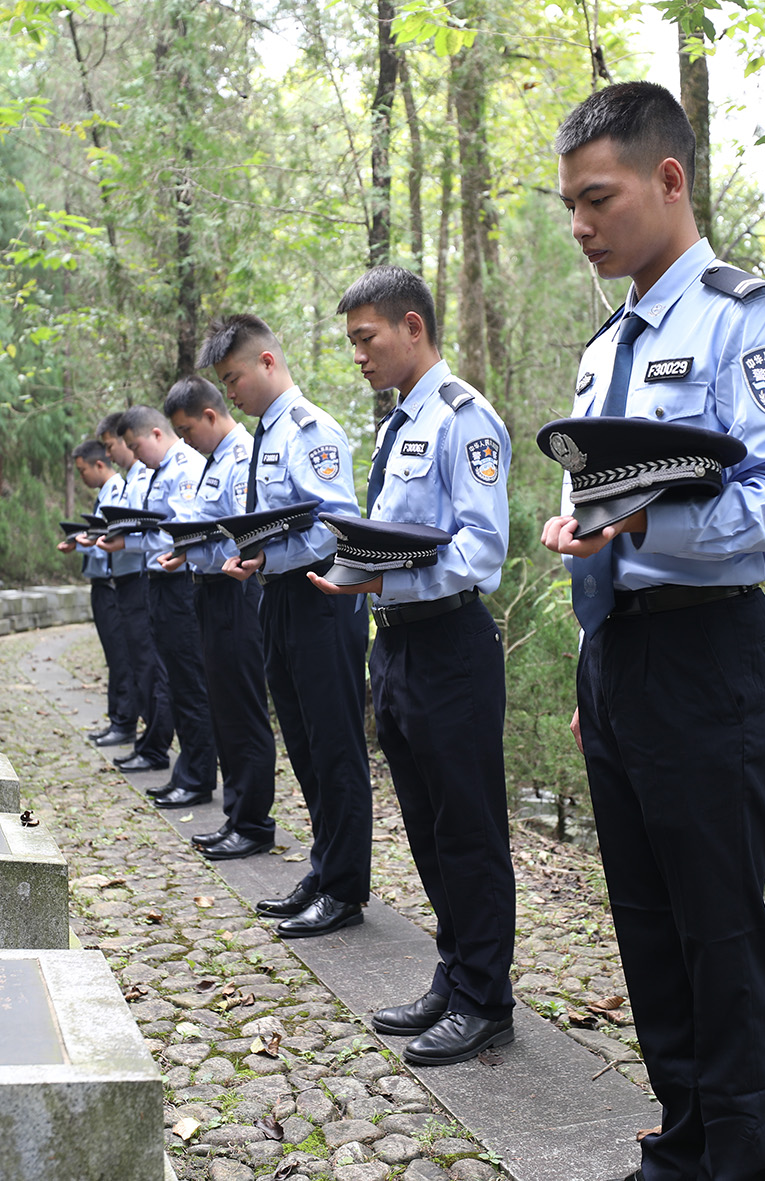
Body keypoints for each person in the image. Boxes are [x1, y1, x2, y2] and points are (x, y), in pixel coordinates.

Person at [542, 81, 765, 1180]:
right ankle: (681, 1148)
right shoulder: (603, 347)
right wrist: (595, 657)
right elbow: (601, 512)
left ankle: (740, 1162)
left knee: (716, 930)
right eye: (570, 205)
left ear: (669, 179)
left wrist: (640, 521)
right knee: (647, 925)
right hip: (623, 659)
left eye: (598, 198)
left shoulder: (750, 322)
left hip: (711, 656)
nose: (581, 225)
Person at [310, 265, 517, 1067]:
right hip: (396, 645)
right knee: (429, 831)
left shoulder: (466, 419)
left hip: (450, 645)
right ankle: (454, 973)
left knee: (467, 830)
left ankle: (486, 999)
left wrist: (376, 579)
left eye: (366, 338)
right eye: (352, 341)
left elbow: (480, 552)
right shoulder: (399, 423)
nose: (358, 354)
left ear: (413, 326)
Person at [199, 314, 373, 938]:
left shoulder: (309, 429)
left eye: (234, 378)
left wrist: (267, 554)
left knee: (334, 745)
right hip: (279, 597)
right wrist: (258, 557)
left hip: (321, 596)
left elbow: (334, 526)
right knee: (302, 741)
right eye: (224, 383)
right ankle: (325, 870)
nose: (231, 392)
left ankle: (345, 888)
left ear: (268, 362)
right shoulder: (267, 434)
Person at [161, 376, 279, 860]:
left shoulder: (242, 458)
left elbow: (241, 534)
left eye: (188, 430)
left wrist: (197, 543)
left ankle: (253, 822)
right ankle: (236, 815)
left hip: (237, 591)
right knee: (223, 706)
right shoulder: (214, 460)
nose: (186, 441)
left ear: (210, 416)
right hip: (208, 590)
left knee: (243, 707)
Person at [103, 404, 217, 808]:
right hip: (160, 582)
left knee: (188, 682)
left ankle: (197, 776)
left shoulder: (184, 466)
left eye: (136, 447)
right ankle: (187, 773)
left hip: (180, 583)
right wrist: (128, 541)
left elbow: (178, 533)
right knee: (175, 680)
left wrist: (132, 541)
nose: (135, 456)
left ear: (155, 433)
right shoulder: (160, 469)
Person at [97, 412, 174, 779]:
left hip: (152, 577)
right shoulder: (136, 477)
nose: (113, 453)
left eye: (116, 445)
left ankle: (156, 745)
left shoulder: (160, 470)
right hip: (142, 575)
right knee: (141, 664)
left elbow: (161, 529)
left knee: (150, 666)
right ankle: (149, 741)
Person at [60, 440, 138, 747]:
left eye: (83, 471)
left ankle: (125, 722)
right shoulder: (105, 493)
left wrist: (86, 542)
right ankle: (117, 719)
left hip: (113, 583)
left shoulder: (119, 491)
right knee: (113, 655)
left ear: (100, 464)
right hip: (103, 582)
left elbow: (111, 540)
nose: (82, 477)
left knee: (121, 656)